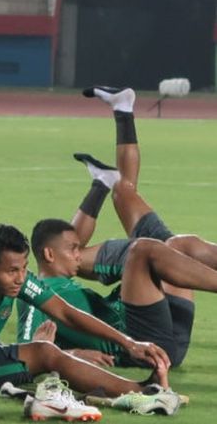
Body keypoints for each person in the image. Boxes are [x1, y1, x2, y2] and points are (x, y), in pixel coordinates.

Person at [18, 86, 217, 369]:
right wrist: (74, 354)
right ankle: (111, 148)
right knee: (152, 244)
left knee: (160, 231)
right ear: (49, 256)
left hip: (152, 324)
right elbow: (28, 348)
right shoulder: (36, 293)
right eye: (73, 250)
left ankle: (120, 118)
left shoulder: (57, 281)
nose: (78, 253)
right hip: (146, 341)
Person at [0, 222, 181, 418]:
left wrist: (129, 342)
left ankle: (133, 391)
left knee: (46, 351)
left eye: (24, 268)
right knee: (45, 352)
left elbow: (66, 312)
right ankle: (145, 393)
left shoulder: (17, 282)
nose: (21, 278)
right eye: (12, 270)